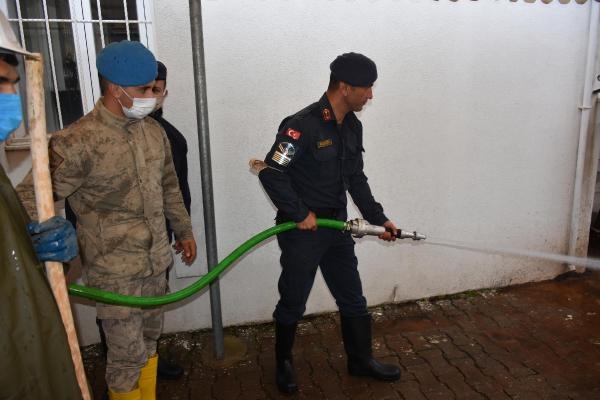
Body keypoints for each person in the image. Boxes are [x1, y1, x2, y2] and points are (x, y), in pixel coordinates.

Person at [17, 40, 197, 400]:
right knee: (126, 359)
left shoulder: (153, 133)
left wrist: (184, 230)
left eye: (154, 89)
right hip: (114, 272)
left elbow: (169, 186)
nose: (152, 97)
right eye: (144, 90)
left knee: (149, 342)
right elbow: (28, 197)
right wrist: (41, 236)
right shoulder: (76, 142)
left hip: (155, 262)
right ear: (116, 89)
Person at [257, 52, 401, 393]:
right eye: (366, 88)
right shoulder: (301, 125)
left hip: (337, 229)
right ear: (345, 87)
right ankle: (284, 364)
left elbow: (356, 179)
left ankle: (360, 360)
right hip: (302, 233)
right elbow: (271, 172)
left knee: (352, 297)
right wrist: (299, 213)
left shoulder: (352, 126)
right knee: (294, 299)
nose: (370, 95)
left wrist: (380, 219)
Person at [0, 10, 82, 399]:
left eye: (13, 84)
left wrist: (33, 253)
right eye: (0, 83)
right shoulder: (79, 139)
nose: (10, 100)